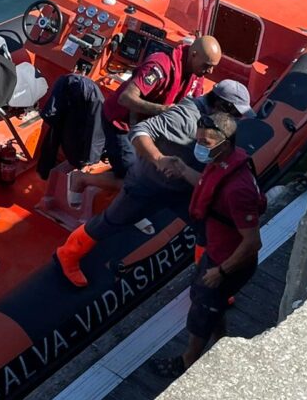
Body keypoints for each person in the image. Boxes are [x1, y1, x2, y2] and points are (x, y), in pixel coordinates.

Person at [54, 79, 252, 287]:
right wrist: (159, 159)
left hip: (182, 189)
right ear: (222, 106)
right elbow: (140, 131)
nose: (237, 119)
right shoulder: (184, 116)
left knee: (206, 229)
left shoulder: (218, 124)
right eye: (236, 114)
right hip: (147, 185)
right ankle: (67, 254)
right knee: (109, 222)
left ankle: (206, 279)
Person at [152, 111, 265, 378]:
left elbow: (253, 242)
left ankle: (189, 361)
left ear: (224, 143)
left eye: (205, 143)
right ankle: (220, 343)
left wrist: (222, 271)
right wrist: (181, 168)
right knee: (207, 302)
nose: (200, 147)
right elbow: (206, 185)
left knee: (202, 310)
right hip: (216, 251)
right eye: (199, 141)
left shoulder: (239, 190)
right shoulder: (222, 163)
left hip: (228, 261)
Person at [97, 35, 222, 180]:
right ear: (194, 55)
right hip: (120, 123)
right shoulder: (160, 66)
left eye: (213, 66)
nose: (210, 71)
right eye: (207, 65)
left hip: (149, 126)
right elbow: (126, 98)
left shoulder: (197, 74)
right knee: (131, 175)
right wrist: (162, 110)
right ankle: (81, 179)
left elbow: (195, 107)